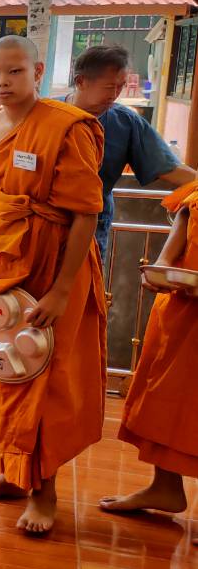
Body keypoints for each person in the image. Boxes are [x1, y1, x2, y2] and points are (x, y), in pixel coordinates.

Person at [0, 36, 106, 536]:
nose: (2, 82)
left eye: (14, 72)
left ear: (37, 71)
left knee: (46, 375)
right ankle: (12, 473)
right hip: (5, 263)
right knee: (4, 370)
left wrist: (61, 290)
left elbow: (85, 212)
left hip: (57, 263)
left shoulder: (66, 126)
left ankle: (45, 491)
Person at [99, 178, 198, 530]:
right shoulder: (193, 199)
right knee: (163, 398)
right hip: (181, 314)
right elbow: (166, 258)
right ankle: (165, 487)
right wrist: (158, 274)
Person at [65, 44, 194, 260]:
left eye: (121, 86)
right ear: (80, 81)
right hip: (45, 224)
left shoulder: (125, 122)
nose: (115, 94)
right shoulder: (46, 113)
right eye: (109, 87)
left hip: (92, 227)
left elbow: (169, 168)